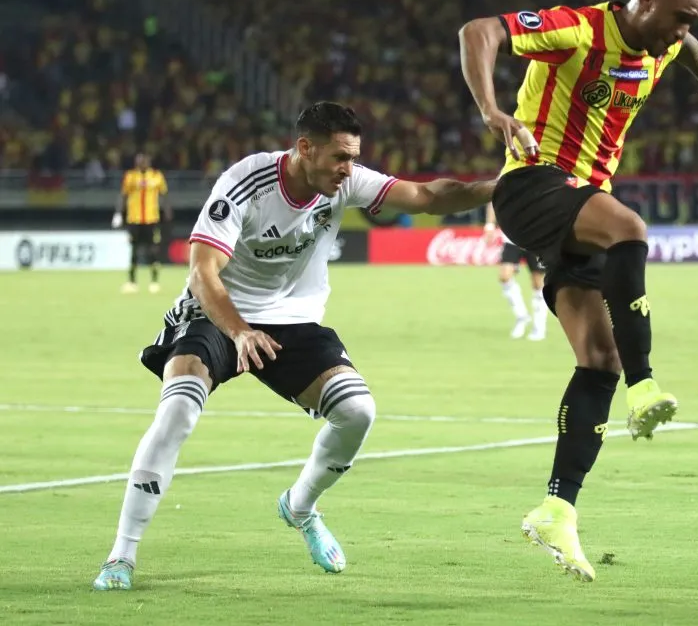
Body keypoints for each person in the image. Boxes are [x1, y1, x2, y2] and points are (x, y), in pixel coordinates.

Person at [93, 102, 495, 591]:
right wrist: (240, 331)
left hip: (292, 320)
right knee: (178, 409)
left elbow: (429, 195)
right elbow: (202, 273)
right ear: (305, 148)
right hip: (218, 311)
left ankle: (300, 505)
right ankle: (121, 556)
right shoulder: (245, 183)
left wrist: (503, 186)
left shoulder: (347, 183)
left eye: (353, 159)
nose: (347, 170)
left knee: (359, 412)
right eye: (339, 157)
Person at [459, 0, 698, 581]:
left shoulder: (666, 43)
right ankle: (646, 387)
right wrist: (493, 112)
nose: (684, 30)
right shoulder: (578, 30)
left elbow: (685, 45)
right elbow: (479, 31)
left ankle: (556, 508)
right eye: (679, 15)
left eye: (693, 21)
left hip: (577, 204)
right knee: (631, 228)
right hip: (533, 183)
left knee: (596, 358)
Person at [484, 202, 547, 340]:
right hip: (512, 239)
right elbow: (493, 201)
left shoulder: (542, 181)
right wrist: (489, 225)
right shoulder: (505, 180)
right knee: (504, 276)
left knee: (538, 283)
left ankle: (539, 325)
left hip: (536, 239)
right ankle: (521, 316)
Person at [113, 153, 171, 294]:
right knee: (134, 251)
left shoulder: (157, 176)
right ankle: (132, 282)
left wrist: (167, 212)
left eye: (144, 161)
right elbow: (123, 195)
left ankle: (154, 282)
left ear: (149, 162)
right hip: (134, 219)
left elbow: (164, 195)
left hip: (151, 219)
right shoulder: (130, 176)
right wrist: (118, 213)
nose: (142, 163)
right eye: (139, 161)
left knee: (153, 251)